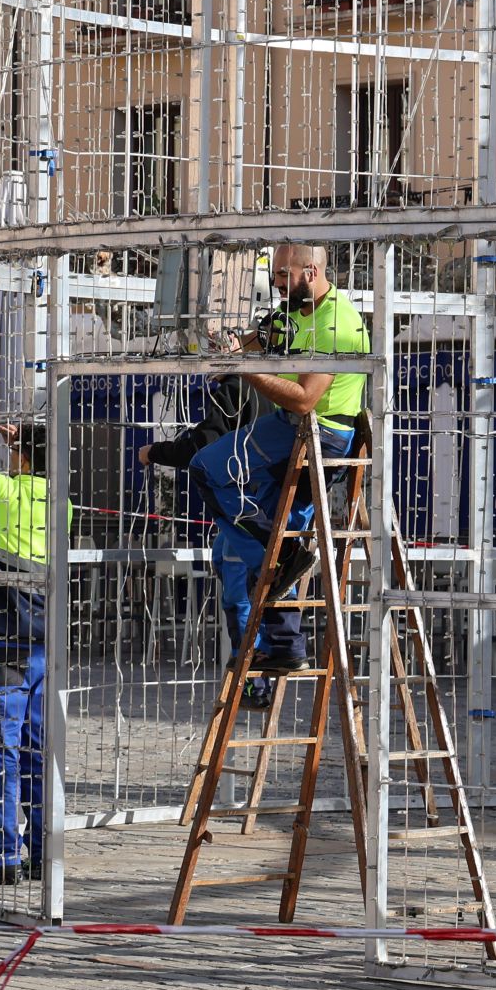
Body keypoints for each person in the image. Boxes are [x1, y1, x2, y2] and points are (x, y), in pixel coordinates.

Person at [188, 244, 369, 675]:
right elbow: (253, 341)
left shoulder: (336, 322)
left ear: (311, 270)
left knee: (207, 468)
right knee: (265, 534)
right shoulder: (294, 310)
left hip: (318, 433)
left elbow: (306, 399)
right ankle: (285, 644)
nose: (278, 286)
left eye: (284, 277)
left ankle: (277, 552)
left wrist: (245, 368)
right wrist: (232, 346)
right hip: (294, 430)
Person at [139, 376, 304, 708]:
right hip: (276, 503)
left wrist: (155, 451)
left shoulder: (239, 386)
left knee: (244, 594)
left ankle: (254, 680)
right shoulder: (283, 384)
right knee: (265, 581)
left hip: (247, 507)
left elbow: (202, 444)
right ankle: (278, 652)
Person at [0, 422, 67, 886]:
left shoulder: (3, 494)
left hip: (5, 638)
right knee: (37, 748)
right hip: (44, 644)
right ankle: (39, 850)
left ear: (22, 457)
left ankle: (1, 854)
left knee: (0, 747)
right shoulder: (61, 503)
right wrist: (27, 440)